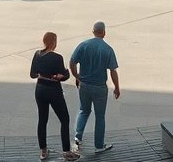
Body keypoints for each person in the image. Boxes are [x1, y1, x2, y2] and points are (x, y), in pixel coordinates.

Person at [70, 21, 120, 155]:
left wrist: (77, 76)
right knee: (100, 117)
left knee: (84, 111)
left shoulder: (83, 45)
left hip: (84, 86)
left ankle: (77, 137)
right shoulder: (107, 49)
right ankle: (99, 145)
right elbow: (113, 71)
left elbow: (72, 62)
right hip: (99, 88)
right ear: (104, 32)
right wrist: (117, 87)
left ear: (93, 31)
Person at [31, 32, 79, 161]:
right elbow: (64, 75)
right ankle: (66, 151)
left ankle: (43, 150)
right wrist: (61, 75)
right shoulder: (57, 57)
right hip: (53, 90)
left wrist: (43, 75)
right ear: (54, 42)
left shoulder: (37, 54)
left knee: (42, 120)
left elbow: (32, 74)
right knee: (64, 119)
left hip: (40, 90)